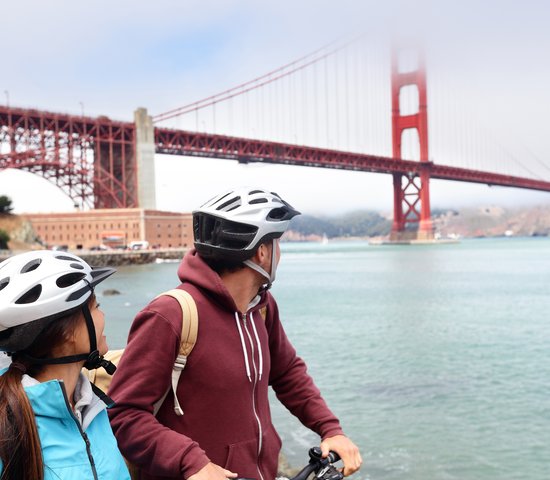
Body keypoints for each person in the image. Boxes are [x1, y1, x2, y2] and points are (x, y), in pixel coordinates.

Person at [108, 187, 362, 480]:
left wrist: (330, 429)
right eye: (277, 243)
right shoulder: (170, 315)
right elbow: (123, 414)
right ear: (262, 252)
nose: (279, 253)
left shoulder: (262, 308)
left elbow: (288, 373)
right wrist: (190, 461)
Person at [0, 250, 130, 480]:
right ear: (68, 332)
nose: (102, 315)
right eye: (96, 306)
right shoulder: (8, 423)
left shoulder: (92, 406)